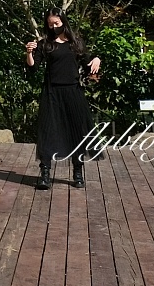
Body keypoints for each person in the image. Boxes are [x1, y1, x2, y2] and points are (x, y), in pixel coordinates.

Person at [24, 10, 101, 192]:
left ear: (64, 22)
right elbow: (33, 67)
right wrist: (29, 53)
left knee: (77, 132)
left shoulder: (76, 43)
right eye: (51, 24)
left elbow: (88, 64)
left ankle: (78, 173)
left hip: (73, 92)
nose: (54, 27)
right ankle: (45, 174)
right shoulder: (46, 45)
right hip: (51, 93)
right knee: (48, 132)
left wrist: (97, 58)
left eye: (57, 23)